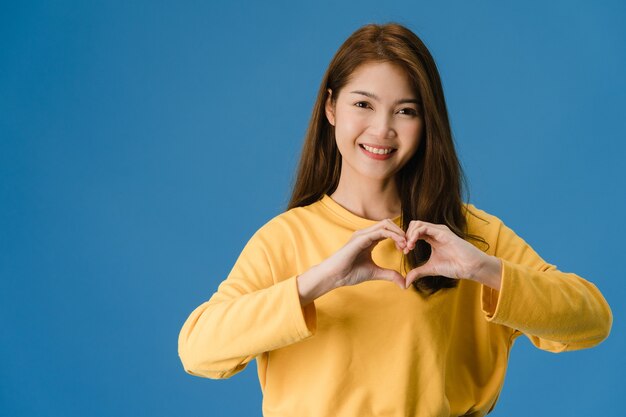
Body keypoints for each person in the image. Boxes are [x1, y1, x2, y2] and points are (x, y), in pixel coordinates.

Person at [177, 22, 612, 417]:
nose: (382, 129)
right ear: (331, 108)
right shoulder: (284, 239)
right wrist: (319, 280)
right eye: (363, 104)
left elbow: (593, 320)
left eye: (406, 110)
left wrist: (483, 268)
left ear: (427, 123)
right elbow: (198, 351)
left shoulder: (469, 235)